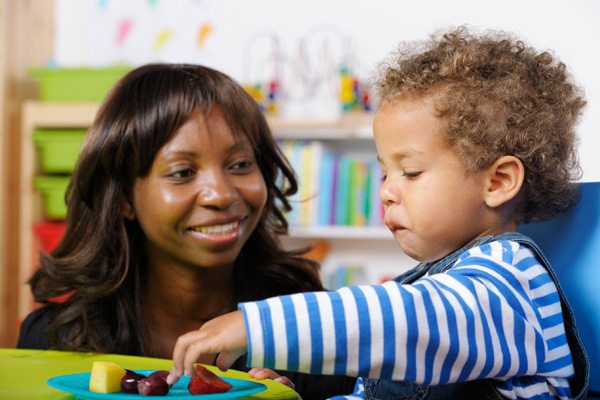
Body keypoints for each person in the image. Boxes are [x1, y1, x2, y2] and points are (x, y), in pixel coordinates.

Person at [168, 27, 590, 399]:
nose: (387, 192)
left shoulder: (510, 283)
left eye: (410, 172)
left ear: (497, 182)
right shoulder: (445, 278)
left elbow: (410, 323)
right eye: (385, 173)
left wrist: (259, 328)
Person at [17, 63, 356, 399]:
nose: (221, 194)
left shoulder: (310, 333)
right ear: (123, 198)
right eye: (182, 172)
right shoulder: (54, 338)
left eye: (240, 165)